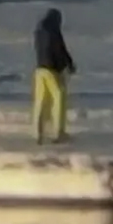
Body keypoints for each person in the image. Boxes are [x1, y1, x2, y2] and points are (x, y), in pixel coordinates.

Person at [32, 8, 76, 144]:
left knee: (41, 101)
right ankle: (59, 132)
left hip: (40, 70)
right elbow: (59, 49)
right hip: (52, 70)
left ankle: (38, 133)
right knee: (59, 98)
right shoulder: (53, 32)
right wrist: (67, 65)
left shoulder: (38, 31)